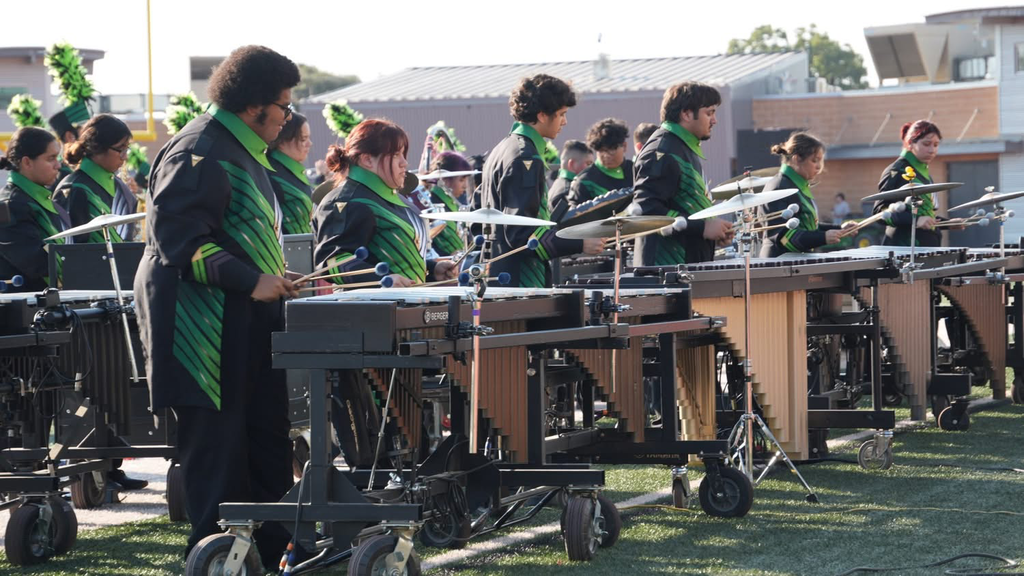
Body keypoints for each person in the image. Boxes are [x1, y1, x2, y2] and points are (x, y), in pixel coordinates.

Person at [133, 45, 301, 569]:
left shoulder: (237, 148)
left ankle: (272, 549)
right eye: (285, 107)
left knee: (268, 443)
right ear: (255, 106)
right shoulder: (199, 150)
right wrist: (253, 280)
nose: (287, 117)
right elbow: (178, 242)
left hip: (245, 324)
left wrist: (273, 277)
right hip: (204, 333)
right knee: (221, 453)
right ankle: (216, 556)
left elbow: (238, 233)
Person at [479, 74, 604, 287]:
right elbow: (520, 234)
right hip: (519, 282)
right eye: (561, 114)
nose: (565, 121)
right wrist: (579, 243)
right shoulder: (525, 156)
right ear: (543, 115)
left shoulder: (502, 148)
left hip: (498, 274)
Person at [311, 119, 458, 288]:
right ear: (367, 160)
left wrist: (432, 269)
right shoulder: (347, 201)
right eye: (396, 155)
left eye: (404, 154)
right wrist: (381, 279)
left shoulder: (392, 198)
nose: (404, 162)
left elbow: (394, 260)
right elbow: (332, 262)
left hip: (404, 308)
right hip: (367, 311)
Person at [633, 82, 733, 265]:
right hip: (667, 274)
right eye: (709, 113)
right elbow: (645, 211)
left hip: (687, 268)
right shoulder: (661, 152)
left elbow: (683, 207)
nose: (714, 120)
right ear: (686, 114)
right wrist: (702, 227)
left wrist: (712, 230)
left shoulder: (679, 147)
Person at [0, 127, 72, 291]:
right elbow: (37, 264)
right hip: (25, 311)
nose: (58, 165)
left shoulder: (39, 198)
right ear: (27, 162)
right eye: (51, 158)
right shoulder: (9, 205)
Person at [53, 114, 139, 243]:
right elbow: (68, 249)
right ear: (97, 147)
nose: (124, 157)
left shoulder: (121, 189)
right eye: (120, 149)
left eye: (126, 149)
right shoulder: (73, 188)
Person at [758, 132, 843, 257]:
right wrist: (823, 237)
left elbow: (807, 227)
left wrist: (840, 228)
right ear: (797, 159)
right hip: (779, 265)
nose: (819, 167)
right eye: (814, 160)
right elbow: (783, 237)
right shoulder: (778, 188)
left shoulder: (795, 185)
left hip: (796, 262)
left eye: (820, 161)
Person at [875, 120, 943, 247]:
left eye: (936, 145)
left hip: (926, 247)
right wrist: (916, 220)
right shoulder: (896, 171)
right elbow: (880, 213)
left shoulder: (924, 173)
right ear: (910, 143)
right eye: (927, 144)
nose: (932, 150)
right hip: (903, 250)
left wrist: (949, 223)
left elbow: (924, 214)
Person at [568, 118, 633, 207]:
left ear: (624, 146)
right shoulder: (584, 182)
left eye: (612, 149)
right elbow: (575, 217)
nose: (606, 155)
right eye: (602, 151)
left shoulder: (638, 171)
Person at [268, 112, 314, 234]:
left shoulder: (292, 171)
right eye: (303, 139)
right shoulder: (272, 174)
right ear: (282, 141)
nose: (309, 144)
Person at [425, 151, 473, 256]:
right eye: (461, 180)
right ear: (444, 179)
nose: (465, 186)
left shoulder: (455, 204)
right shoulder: (430, 204)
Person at [548, 139, 592, 222]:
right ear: (571, 164)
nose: (592, 168)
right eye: (588, 163)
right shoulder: (567, 192)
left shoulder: (559, 185)